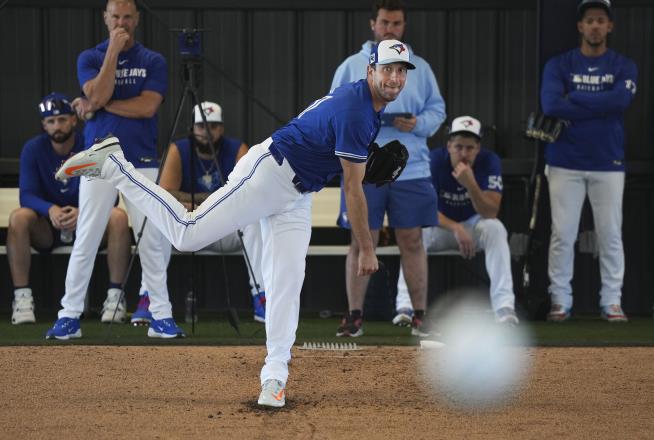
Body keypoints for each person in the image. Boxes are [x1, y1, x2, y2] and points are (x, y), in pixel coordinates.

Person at [55, 39, 414, 408]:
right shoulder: (359, 109)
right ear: (370, 70)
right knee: (187, 233)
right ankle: (116, 166)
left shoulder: (368, 108)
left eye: (401, 71)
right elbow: (353, 189)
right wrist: (367, 249)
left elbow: (331, 144)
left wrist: (365, 158)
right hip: (269, 174)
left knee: (287, 284)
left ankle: (274, 377)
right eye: (387, 68)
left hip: (298, 193)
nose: (395, 77)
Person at [45, 0, 183, 339]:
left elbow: (148, 107)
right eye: (115, 16)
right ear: (106, 19)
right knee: (87, 235)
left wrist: (98, 105)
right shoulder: (90, 57)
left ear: (136, 20)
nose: (121, 22)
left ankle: (161, 317)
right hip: (98, 157)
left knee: (151, 238)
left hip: (141, 159)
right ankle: (69, 316)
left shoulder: (153, 60)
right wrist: (112, 55)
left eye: (127, 16)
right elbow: (99, 90)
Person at [331, 0, 446, 337]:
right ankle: (354, 317)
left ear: (403, 26)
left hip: (411, 167)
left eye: (396, 23)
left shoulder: (420, 67)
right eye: (384, 23)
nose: (390, 29)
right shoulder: (352, 65)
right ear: (373, 25)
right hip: (362, 166)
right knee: (360, 239)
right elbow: (334, 106)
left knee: (412, 241)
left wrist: (419, 123)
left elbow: (438, 110)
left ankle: (420, 316)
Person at [541, 0, 637, 322]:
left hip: (607, 161)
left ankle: (612, 301)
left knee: (610, 233)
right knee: (562, 234)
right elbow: (551, 105)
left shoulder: (623, 65)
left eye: (600, 20)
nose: (595, 26)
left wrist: (577, 98)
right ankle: (560, 300)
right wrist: (601, 104)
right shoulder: (559, 64)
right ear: (580, 26)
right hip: (564, 160)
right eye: (589, 20)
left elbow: (621, 101)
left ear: (609, 26)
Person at [8, 93, 130, 325]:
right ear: (44, 125)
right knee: (19, 218)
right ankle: (22, 298)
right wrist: (50, 209)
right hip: (48, 227)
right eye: (51, 121)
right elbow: (27, 195)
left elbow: (110, 197)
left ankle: (115, 297)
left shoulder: (89, 144)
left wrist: (83, 212)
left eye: (63, 119)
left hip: (88, 224)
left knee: (118, 217)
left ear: (74, 120)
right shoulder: (33, 149)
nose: (57, 126)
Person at [395, 116, 519, 325]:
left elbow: (491, 212)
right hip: (441, 227)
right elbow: (422, 210)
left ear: (478, 148)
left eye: (469, 148)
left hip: (474, 226)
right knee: (413, 231)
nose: (463, 153)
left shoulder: (489, 161)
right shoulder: (432, 161)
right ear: (449, 145)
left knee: (496, 229)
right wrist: (455, 228)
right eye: (458, 147)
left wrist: (470, 184)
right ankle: (406, 307)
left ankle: (504, 307)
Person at [157, 101, 266, 323]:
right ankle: (150, 296)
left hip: (226, 229)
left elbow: (246, 194)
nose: (207, 132)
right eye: (201, 126)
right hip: (191, 230)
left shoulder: (237, 149)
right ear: (192, 128)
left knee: (255, 220)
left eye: (213, 126)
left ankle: (261, 297)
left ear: (222, 128)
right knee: (158, 221)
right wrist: (217, 200)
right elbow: (166, 193)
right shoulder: (179, 149)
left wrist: (194, 200)